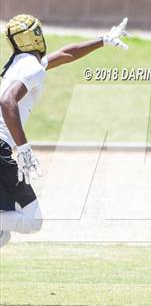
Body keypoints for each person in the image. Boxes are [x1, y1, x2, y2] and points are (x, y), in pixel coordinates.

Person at [0, 14, 129, 249]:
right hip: (1, 149)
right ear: (34, 37)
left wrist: (103, 40)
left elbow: (66, 54)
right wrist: (25, 149)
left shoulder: (24, 64)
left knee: (4, 232)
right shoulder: (31, 67)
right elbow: (7, 101)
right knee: (31, 220)